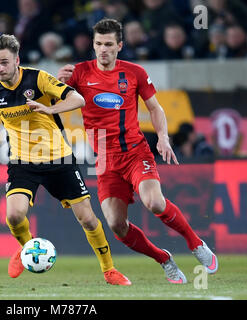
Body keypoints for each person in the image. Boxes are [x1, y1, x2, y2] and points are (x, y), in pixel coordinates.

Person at [0, 34, 131, 286]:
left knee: (87, 218)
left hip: (59, 159)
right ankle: (25, 249)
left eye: (4, 63)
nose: (0, 68)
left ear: (17, 60)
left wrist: (49, 109)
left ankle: (109, 270)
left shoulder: (38, 78)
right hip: (22, 162)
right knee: (14, 216)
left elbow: (78, 99)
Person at [57, 18, 218, 284]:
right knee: (117, 226)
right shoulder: (79, 73)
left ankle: (196, 244)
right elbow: (54, 95)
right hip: (106, 161)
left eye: (109, 44)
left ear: (120, 45)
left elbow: (155, 108)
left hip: (135, 152)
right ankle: (163, 258)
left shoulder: (134, 73)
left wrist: (163, 138)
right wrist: (58, 82)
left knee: (154, 202)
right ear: (93, 45)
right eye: (98, 44)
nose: (103, 49)